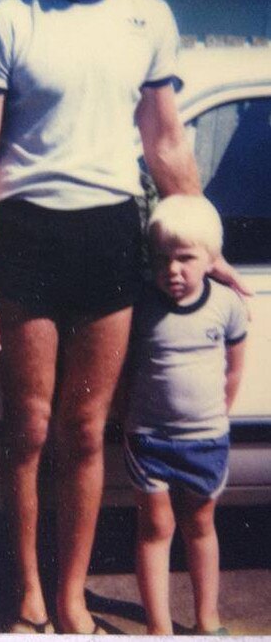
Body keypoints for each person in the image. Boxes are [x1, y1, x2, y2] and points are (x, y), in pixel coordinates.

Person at [0, 0, 246, 634]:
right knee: (30, 429)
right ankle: (25, 592)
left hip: (113, 234)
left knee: (86, 432)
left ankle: (73, 593)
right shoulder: (5, 15)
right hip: (28, 235)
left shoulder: (149, 18)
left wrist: (206, 245)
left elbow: (165, 144)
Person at [125, 196, 247, 636]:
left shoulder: (227, 305)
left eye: (185, 258)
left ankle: (207, 620)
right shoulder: (142, 304)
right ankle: (160, 628)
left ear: (211, 260)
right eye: (161, 259)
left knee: (200, 526)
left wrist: (215, 416)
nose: (172, 270)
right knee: (155, 527)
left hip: (207, 439)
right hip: (149, 439)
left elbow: (234, 369)